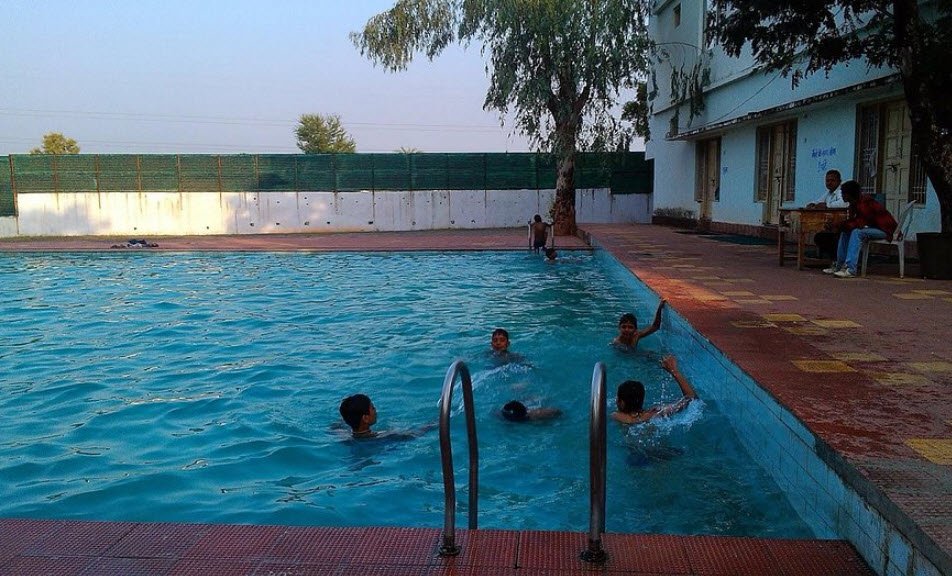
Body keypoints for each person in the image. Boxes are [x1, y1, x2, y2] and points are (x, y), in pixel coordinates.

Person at [823, 179, 898, 279]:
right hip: (875, 228)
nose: (842, 196)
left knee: (856, 232)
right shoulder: (854, 203)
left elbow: (859, 223)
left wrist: (839, 225)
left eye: (844, 193)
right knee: (846, 231)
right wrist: (840, 226)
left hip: (885, 230)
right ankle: (839, 266)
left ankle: (851, 269)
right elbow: (852, 221)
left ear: (849, 194)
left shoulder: (864, 203)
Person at [611, 355, 698, 425]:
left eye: (617, 397)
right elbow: (692, 399)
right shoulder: (654, 414)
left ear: (622, 403)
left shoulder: (617, 416)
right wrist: (674, 371)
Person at [338, 393, 434, 440]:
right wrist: (433, 424)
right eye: (373, 408)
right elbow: (414, 434)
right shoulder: (384, 437)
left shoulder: (343, 434)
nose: (376, 411)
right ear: (365, 418)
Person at [805, 169, 847, 260]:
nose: (829, 183)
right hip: (832, 225)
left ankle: (835, 260)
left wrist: (827, 205)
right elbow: (819, 201)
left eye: (832, 180)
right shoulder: (829, 193)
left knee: (823, 237)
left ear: (839, 181)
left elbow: (844, 203)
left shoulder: (841, 191)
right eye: (827, 181)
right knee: (820, 236)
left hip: (842, 225)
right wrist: (813, 204)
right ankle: (829, 259)